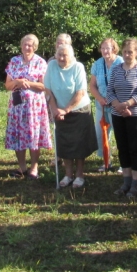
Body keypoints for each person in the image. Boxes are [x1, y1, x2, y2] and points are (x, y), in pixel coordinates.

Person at [45, 43, 99, 187]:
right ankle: (68, 175)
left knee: (79, 144)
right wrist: (55, 109)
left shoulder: (78, 67)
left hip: (79, 110)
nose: (62, 58)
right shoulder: (51, 66)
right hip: (59, 110)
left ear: (72, 56)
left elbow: (80, 92)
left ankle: (80, 175)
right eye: (59, 55)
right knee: (64, 144)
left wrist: (66, 110)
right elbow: (48, 90)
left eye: (65, 55)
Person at [107, 38, 137, 198]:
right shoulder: (116, 69)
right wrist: (118, 105)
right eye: (125, 51)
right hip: (118, 114)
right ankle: (126, 181)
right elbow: (110, 90)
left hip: (136, 115)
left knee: (135, 148)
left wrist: (127, 104)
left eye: (130, 52)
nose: (127, 55)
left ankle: (136, 184)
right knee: (122, 147)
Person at [4, 34, 52, 178]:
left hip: (34, 106)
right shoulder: (14, 61)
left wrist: (29, 83)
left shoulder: (41, 62)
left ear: (35, 47)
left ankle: (34, 167)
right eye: (25, 44)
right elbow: (7, 85)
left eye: (30, 45)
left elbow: (44, 86)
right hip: (17, 105)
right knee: (18, 134)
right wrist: (18, 82)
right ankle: (22, 167)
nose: (27, 47)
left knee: (33, 135)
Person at [89, 37, 123, 171]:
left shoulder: (121, 62)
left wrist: (114, 100)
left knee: (120, 134)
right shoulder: (97, 64)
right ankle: (106, 161)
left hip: (118, 105)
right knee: (101, 133)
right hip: (101, 105)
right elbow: (92, 85)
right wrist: (100, 98)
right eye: (102, 48)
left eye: (107, 48)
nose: (104, 51)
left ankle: (124, 163)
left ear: (113, 48)